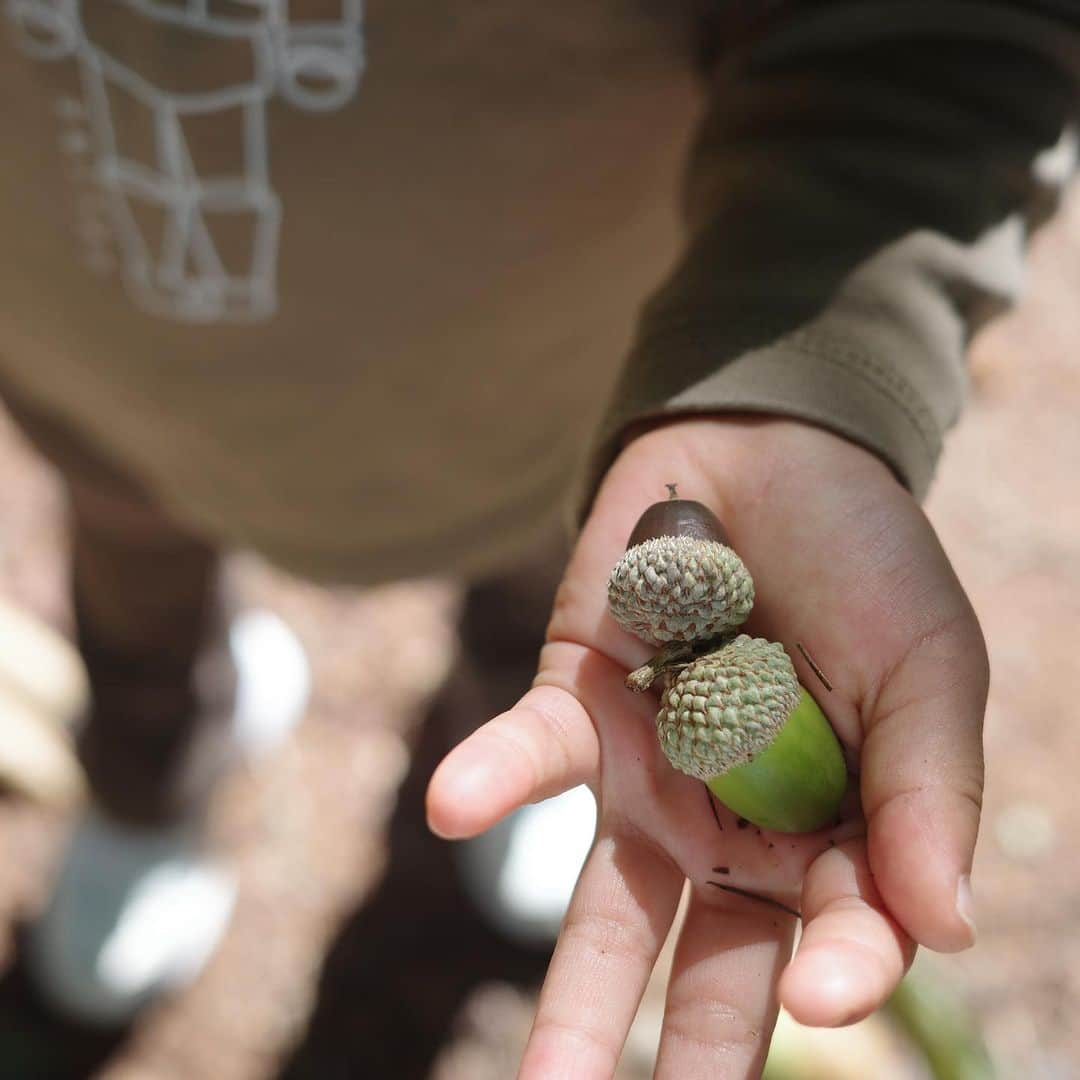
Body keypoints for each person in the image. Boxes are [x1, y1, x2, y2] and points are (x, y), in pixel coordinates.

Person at [0, 0, 1077, 1075]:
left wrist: (810, 374)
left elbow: (945, 37)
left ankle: (551, 745)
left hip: (549, 423)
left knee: (535, 605)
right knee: (132, 597)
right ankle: (151, 777)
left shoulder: (648, 587)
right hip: (97, 395)